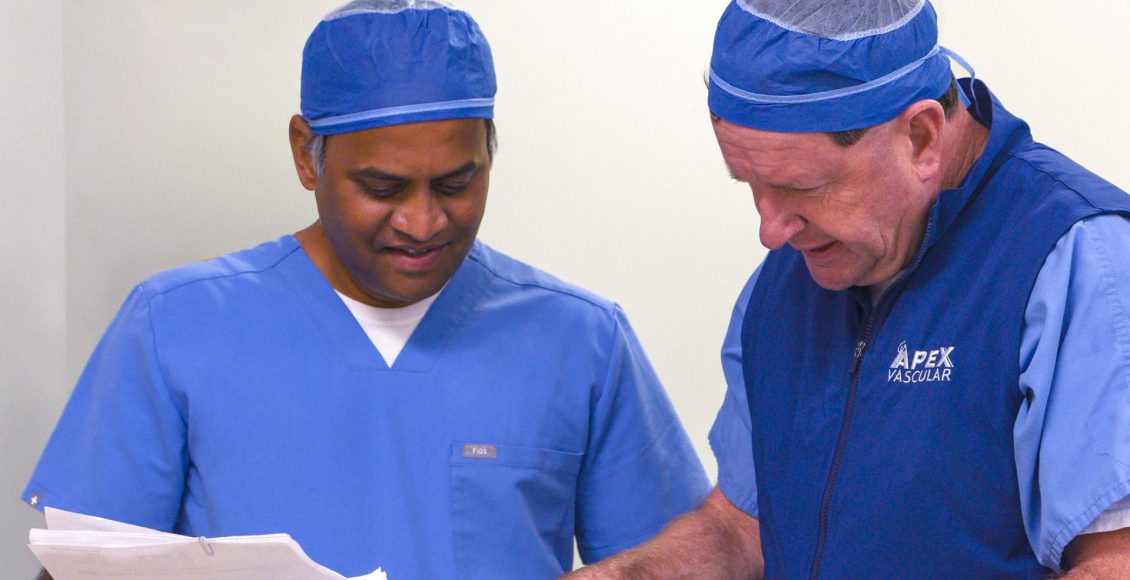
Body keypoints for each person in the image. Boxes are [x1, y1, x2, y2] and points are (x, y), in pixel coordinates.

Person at [22, 1, 709, 578]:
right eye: (382, 188)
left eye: (457, 183)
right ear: (306, 155)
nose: (423, 222)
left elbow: (681, 560)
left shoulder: (581, 342)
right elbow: (80, 567)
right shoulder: (173, 327)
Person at [567, 0, 1130, 578]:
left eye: (802, 187)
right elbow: (742, 528)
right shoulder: (784, 284)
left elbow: (1117, 561)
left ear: (921, 138)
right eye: (750, 185)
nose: (770, 232)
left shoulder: (1079, 263)